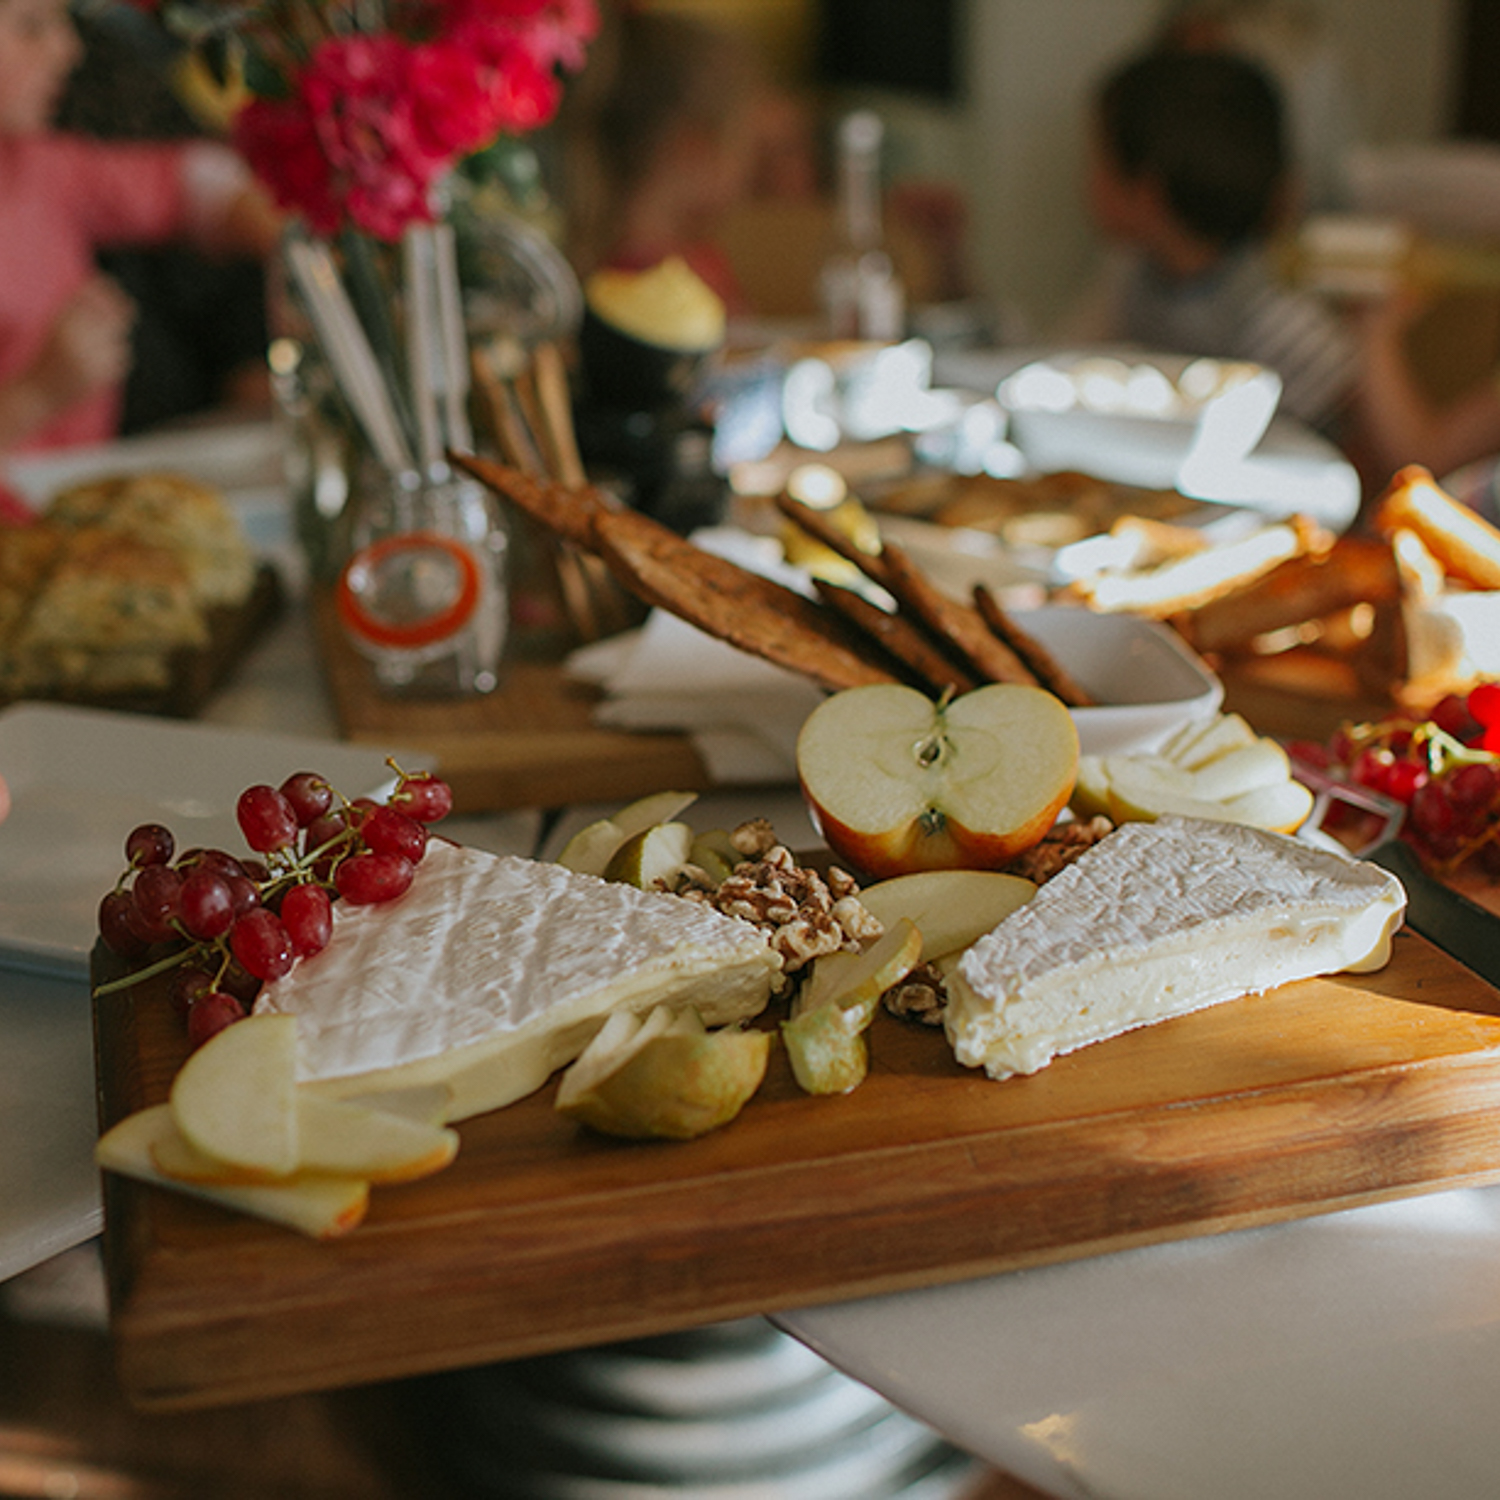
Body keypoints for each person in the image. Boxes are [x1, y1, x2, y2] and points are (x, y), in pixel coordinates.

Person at [0, 0, 278, 475]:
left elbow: (188, 186)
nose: (68, 49)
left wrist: (286, 244)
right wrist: (35, 395)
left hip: (81, 497)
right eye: (31, 27)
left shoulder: (35, 167)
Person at [1063, 45, 1358, 441]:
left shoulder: (1280, 320)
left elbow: (1343, 454)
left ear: (1147, 194)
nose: (1084, 179)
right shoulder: (1138, 276)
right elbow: (1058, 364)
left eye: (1098, 159)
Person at [554, 4, 765, 317]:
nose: (750, 171)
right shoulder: (683, 284)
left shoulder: (581, 261)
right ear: (694, 146)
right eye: (745, 144)